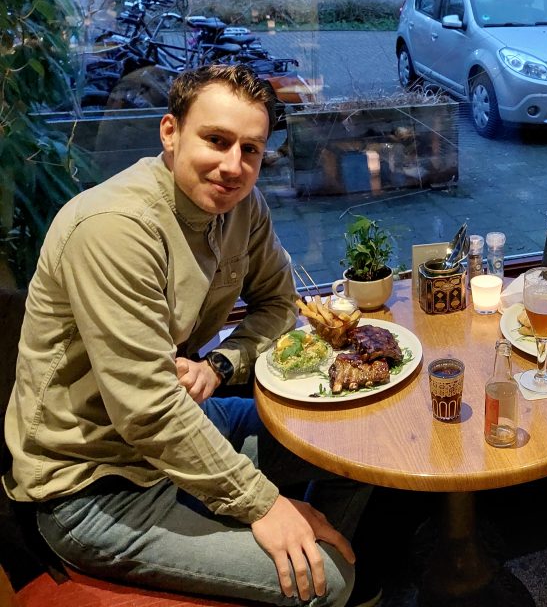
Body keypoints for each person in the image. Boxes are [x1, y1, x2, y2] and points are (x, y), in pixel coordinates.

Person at [3, 65, 376, 606]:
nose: (233, 166)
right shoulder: (115, 227)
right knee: (329, 581)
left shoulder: (243, 206)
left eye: (250, 149)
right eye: (216, 140)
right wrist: (263, 505)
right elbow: (147, 409)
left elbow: (279, 305)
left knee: (358, 448)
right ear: (170, 132)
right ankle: (317, 575)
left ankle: (310, 552)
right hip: (95, 484)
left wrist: (221, 365)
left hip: (188, 421)